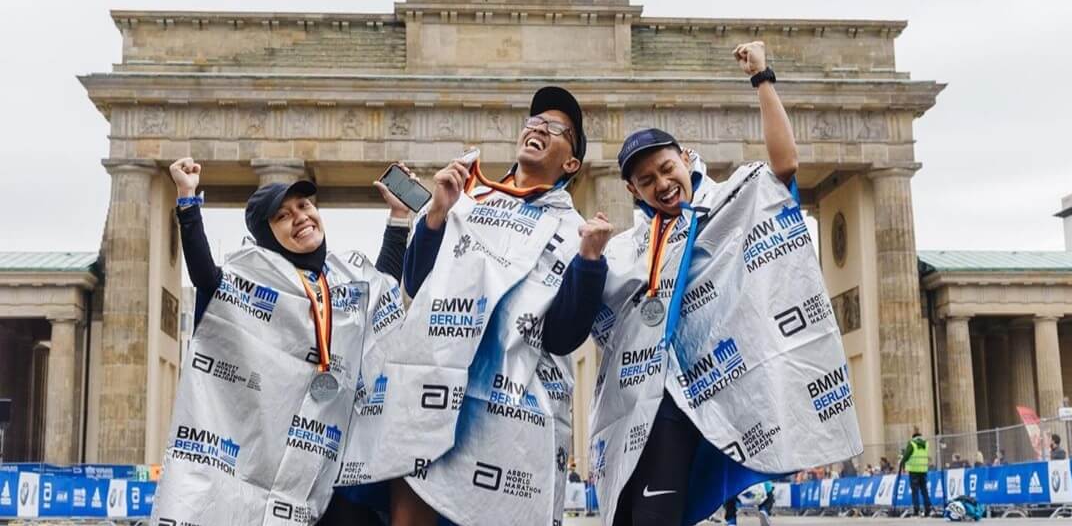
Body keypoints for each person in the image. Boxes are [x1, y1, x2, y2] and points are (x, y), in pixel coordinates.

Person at [588, 42, 862, 526]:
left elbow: (783, 165)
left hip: (702, 392)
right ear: (633, 191)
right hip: (639, 400)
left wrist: (763, 79)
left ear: (686, 158)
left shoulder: (728, 204)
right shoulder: (629, 248)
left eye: (666, 168)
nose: (662, 183)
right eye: (646, 180)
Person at [336, 86, 613, 526]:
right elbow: (416, 283)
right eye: (534, 122)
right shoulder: (469, 200)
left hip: (511, 412)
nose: (538, 128)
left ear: (571, 163)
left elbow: (562, 336)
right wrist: (436, 214)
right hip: (431, 393)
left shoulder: (577, 230)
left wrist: (591, 263)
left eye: (554, 128)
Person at [151, 157, 412, 526]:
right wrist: (187, 199)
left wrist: (399, 217)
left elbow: (382, 288)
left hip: (334, 466)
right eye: (283, 216)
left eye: (304, 206)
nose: (301, 216)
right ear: (267, 235)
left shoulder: (346, 279)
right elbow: (208, 280)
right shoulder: (255, 285)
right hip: (268, 465)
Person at [899, 428, 931, 518]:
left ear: (913, 437)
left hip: (914, 471)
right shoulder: (926, 444)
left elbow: (906, 455)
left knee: (915, 491)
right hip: (923, 470)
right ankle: (928, 509)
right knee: (924, 491)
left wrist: (902, 464)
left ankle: (916, 510)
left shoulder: (912, 443)